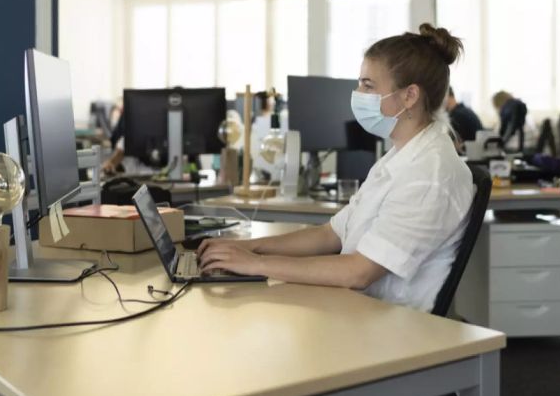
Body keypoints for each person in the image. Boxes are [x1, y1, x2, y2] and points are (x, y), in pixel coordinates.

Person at [198, 24, 473, 313]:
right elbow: (330, 234)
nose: (357, 93)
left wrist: (255, 264)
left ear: (409, 96)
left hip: (393, 327)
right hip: (360, 310)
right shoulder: (402, 155)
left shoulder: (429, 174)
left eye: (368, 85)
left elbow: (358, 272)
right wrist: (251, 248)